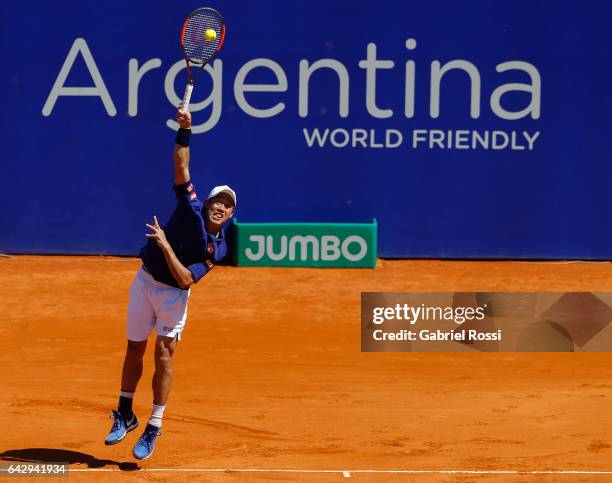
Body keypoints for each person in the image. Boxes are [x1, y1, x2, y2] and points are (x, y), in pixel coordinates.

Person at [104, 108, 236, 460]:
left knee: (164, 355)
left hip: (173, 298)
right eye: (218, 201)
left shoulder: (217, 248)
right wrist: (185, 129)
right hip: (144, 282)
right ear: (207, 203)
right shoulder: (190, 206)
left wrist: (164, 244)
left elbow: (185, 278)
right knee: (134, 349)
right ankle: (125, 413)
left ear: (231, 215)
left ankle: (154, 424)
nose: (221, 207)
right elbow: (181, 164)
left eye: (228, 205)